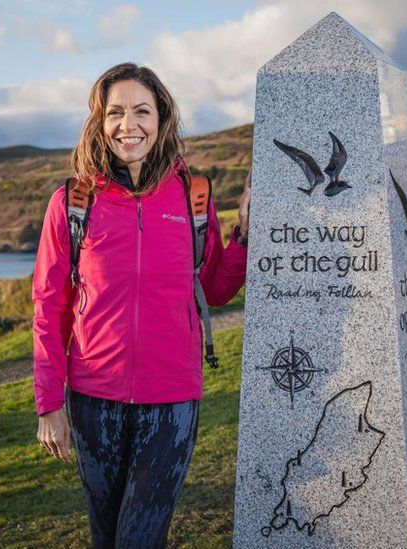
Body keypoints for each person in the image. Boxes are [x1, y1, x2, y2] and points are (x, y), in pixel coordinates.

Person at [32, 62, 250, 548]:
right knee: (106, 538)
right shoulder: (72, 202)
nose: (127, 125)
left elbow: (213, 288)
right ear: (99, 120)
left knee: (139, 539)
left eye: (141, 111)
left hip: (171, 401)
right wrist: (49, 403)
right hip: (93, 400)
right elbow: (49, 306)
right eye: (115, 112)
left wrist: (244, 238)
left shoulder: (194, 195)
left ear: (162, 117)